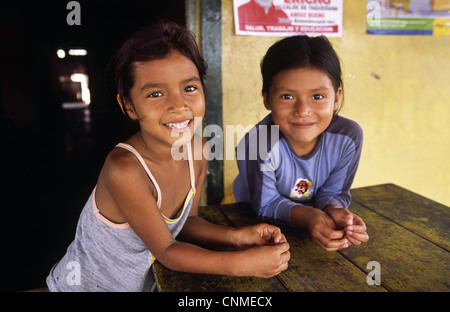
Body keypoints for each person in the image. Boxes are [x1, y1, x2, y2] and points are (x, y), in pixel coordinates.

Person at [46, 21, 290, 292]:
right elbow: (167, 250)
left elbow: (186, 224)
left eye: (189, 88)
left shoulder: (199, 151)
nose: (178, 105)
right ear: (127, 105)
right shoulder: (125, 169)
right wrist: (240, 264)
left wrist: (237, 237)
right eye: (156, 93)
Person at [233, 35, 369, 252]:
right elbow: (266, 205)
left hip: (309, 220)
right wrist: (309, 216)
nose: (303, 111)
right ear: (267, 98)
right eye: (287, 96)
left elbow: (332, 192)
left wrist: (335, 210)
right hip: (251, 221)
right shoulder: (258, 144)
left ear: (336, 97)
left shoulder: (348, 138)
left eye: (317, 96)